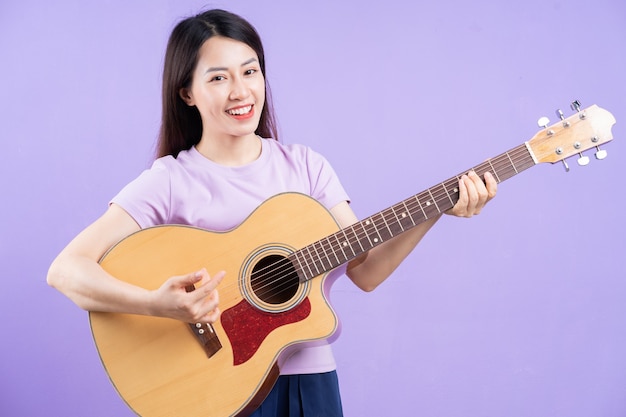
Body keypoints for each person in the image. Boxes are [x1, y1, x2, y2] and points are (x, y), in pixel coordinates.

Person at [47, 8, 497, 417]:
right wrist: (158, 305)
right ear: (186, 92)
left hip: (310, 386)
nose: (241, 91)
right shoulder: (170, 180)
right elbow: (66, 270)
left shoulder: (306, 166)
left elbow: (366, 272)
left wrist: (437, 209)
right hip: (214, 390)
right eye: (219, 78)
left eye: (251, 71)